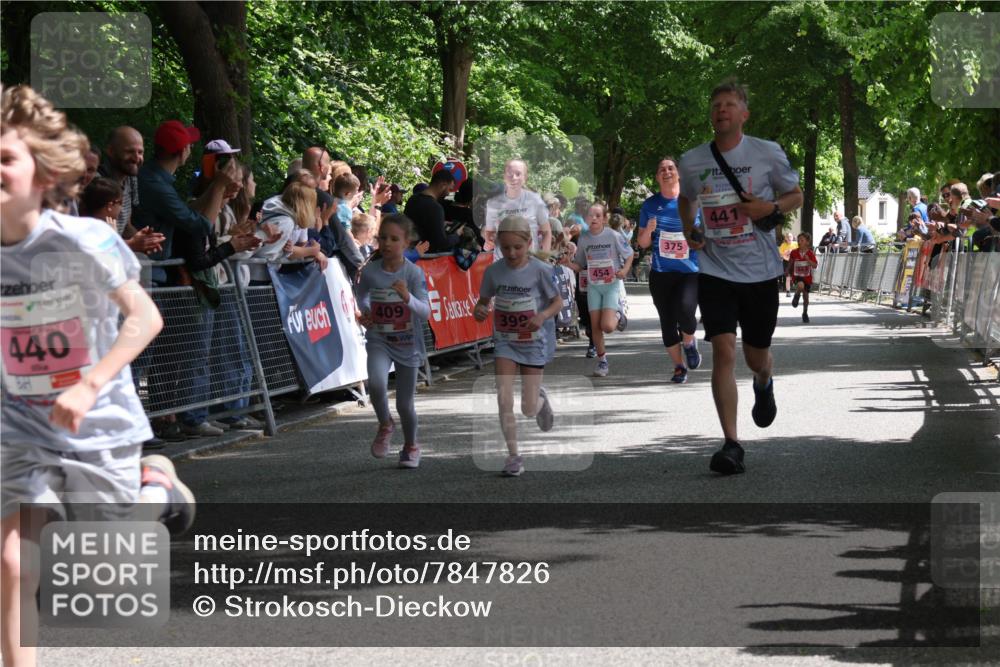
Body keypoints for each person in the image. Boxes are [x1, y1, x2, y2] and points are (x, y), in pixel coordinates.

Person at [0, 85, 194, 667]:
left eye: (5, 158)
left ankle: (153, 483)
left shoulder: (84, 240)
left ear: (43, 171)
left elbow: (145, 316)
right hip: (19, 426)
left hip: (97, 421)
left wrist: (86, 384)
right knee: (13, 564)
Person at [678, 79, 803, 476]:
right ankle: (731, 444)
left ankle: (764, 381)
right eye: (716, 104)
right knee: (724, 351)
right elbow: (686, 199)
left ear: (744, 114)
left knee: (754, 358)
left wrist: (770, 206)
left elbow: (795, 195)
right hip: (715, 269)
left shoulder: (767, 153)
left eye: (730, 104)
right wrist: (690, 229)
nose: (722, 110)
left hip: (761, 272)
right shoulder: (693, 160)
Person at [474, 216, 562, 477]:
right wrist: (480, 310)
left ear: (529, 243)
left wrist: (542, 316)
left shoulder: (541, 270)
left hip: (532, 342)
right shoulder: (493, 271)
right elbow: (483, 300)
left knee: (527, 407)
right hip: (505, 342)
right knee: (504, 398)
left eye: (517, 247)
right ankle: (513, 456)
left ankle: (540, 401)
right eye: (505, 248)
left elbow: (557, 302)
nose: (511, 253)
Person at [357, 215, 431, 469]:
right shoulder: (370, 271)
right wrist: (365, 313)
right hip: (379, 337)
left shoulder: (413, 273)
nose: (387, 243)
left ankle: (411, 445)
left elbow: (425, 312)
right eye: (382, 238)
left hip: (407, 342)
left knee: (404, 402)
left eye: (394, 239)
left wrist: (407, 297)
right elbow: (362, 295)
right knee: (376, 383)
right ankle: (385, 423)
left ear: (407, 242)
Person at [133, 120, 238, 286]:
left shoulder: (154, 177)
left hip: (150, 270)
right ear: (183, 151)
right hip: (148, 273)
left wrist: (215, 189)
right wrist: (218, 186)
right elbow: (202, 226)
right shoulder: (157, 186)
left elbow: (185, 212)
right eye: (189, 145)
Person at [637, 157, 702, 384]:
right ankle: (678, 367)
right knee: (666, 321)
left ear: (679, 173)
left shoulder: (692, 201)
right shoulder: (650, 205)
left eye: (671, 168)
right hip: (661, 274)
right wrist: (649, 230)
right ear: (657, 177)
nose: (667, 172)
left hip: (689, 271)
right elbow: (642, 243)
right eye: (662, 169)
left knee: (686, 310)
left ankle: (689, 343)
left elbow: (705, 234)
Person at [563, 202, 634, 377]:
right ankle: (602, 362)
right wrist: (569, 264)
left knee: (608, 326)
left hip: (611, 285)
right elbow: (580, 265)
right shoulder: (584, 238)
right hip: (594, 286)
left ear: (604, 219)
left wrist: (624, 270)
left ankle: (619, 315)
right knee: (595, 327)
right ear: (586, 218)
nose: (593, 218)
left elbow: (630, 253)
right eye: (591, 215)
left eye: (598, 215)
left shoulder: (613, 235)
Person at [483, 158, 551, 260]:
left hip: (529, 265)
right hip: (502, 265)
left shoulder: (534, 200)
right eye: (510, 174)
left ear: (525, 177)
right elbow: (489, 233)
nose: (513, 178)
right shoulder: (493, 204)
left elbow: (547, 232)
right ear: (504, 176)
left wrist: (544, 259)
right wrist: (488, 241)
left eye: (518, 174)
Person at [404, 168, 460, 252]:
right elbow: (441, 243)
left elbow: (419, 224)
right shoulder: (435, 208)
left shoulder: (412, 199)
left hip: (407, 252)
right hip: (424, 257)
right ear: (442, 185)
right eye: (449, 189)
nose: (448, 193)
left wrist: (440, 223)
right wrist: (456, 235)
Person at [788, 232, 818, 322]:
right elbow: (790, 263)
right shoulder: (794, 252)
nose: (799, 242)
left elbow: (815, 265)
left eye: (802, 240)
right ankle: (796, 296)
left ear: (807, 242)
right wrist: (787, 272)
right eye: (798, 240)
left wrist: (808, 260)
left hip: (807, 277)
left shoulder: (810, 253)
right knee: (800, 285)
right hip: (797, 276)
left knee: (806, 297)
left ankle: (805, 313)